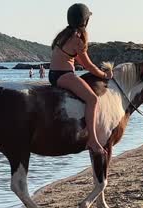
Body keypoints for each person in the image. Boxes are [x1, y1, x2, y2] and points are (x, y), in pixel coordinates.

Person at [48, 3, 112, 155]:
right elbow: (88, 65)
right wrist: (105, 75)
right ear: (85, 21)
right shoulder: (77, 39)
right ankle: (93, 140)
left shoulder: (63, 35)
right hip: (64, 75)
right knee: (93, 99)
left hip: (53, 74)